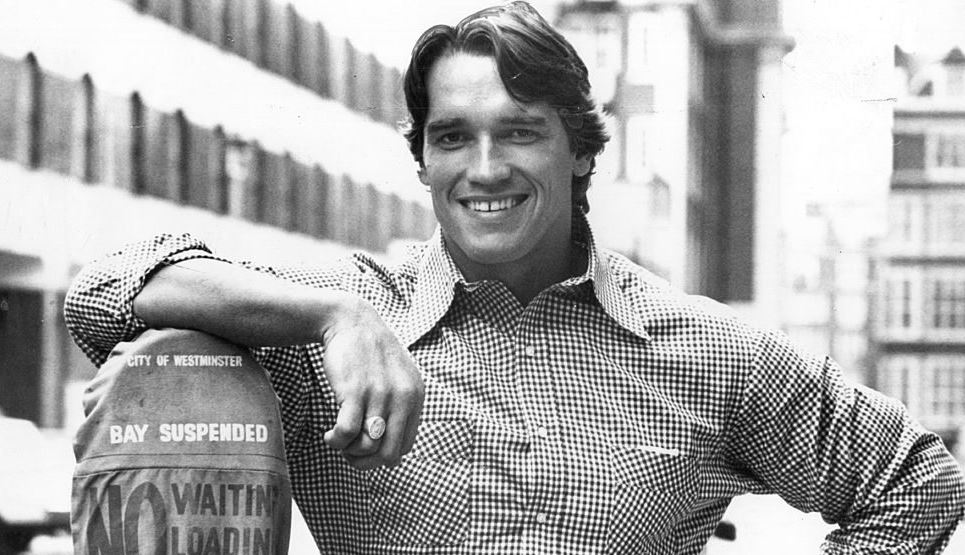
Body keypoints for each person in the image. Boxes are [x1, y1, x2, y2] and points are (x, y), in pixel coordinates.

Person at [65, 2, 964, 553]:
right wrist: (332, 316)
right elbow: (103, 292)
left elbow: (915, 479)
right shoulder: (340, 328)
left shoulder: (710, 351)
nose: (484, 167)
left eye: (521, 130)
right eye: (452, 136)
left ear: (580, 150)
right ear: (422, 160)